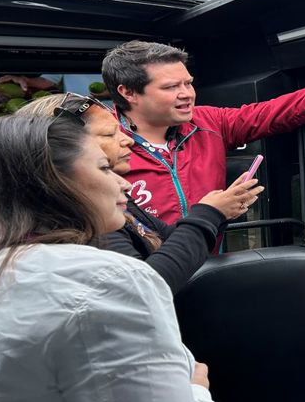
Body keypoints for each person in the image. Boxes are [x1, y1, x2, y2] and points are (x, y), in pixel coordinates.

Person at [0, 115, 224, 402]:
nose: (124, 185)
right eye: (104, 168)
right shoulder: (109, 280)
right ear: (49, 183)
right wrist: (198, 394)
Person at [102, 40, 305, 226]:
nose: (187, 93)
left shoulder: (208, 123)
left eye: (188, 83)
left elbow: (280, 111)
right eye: (171, 86)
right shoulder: (96, 145)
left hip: (208, 266)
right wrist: (213, 212)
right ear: (129, 92)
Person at [19, 93, 263, 294]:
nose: (129, 142)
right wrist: (208, 214)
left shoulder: (110, 202)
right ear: (61, 149)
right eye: (108, 134)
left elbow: (167, 239)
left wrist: (218, 212)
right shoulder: (81, 219)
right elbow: (147, 285)